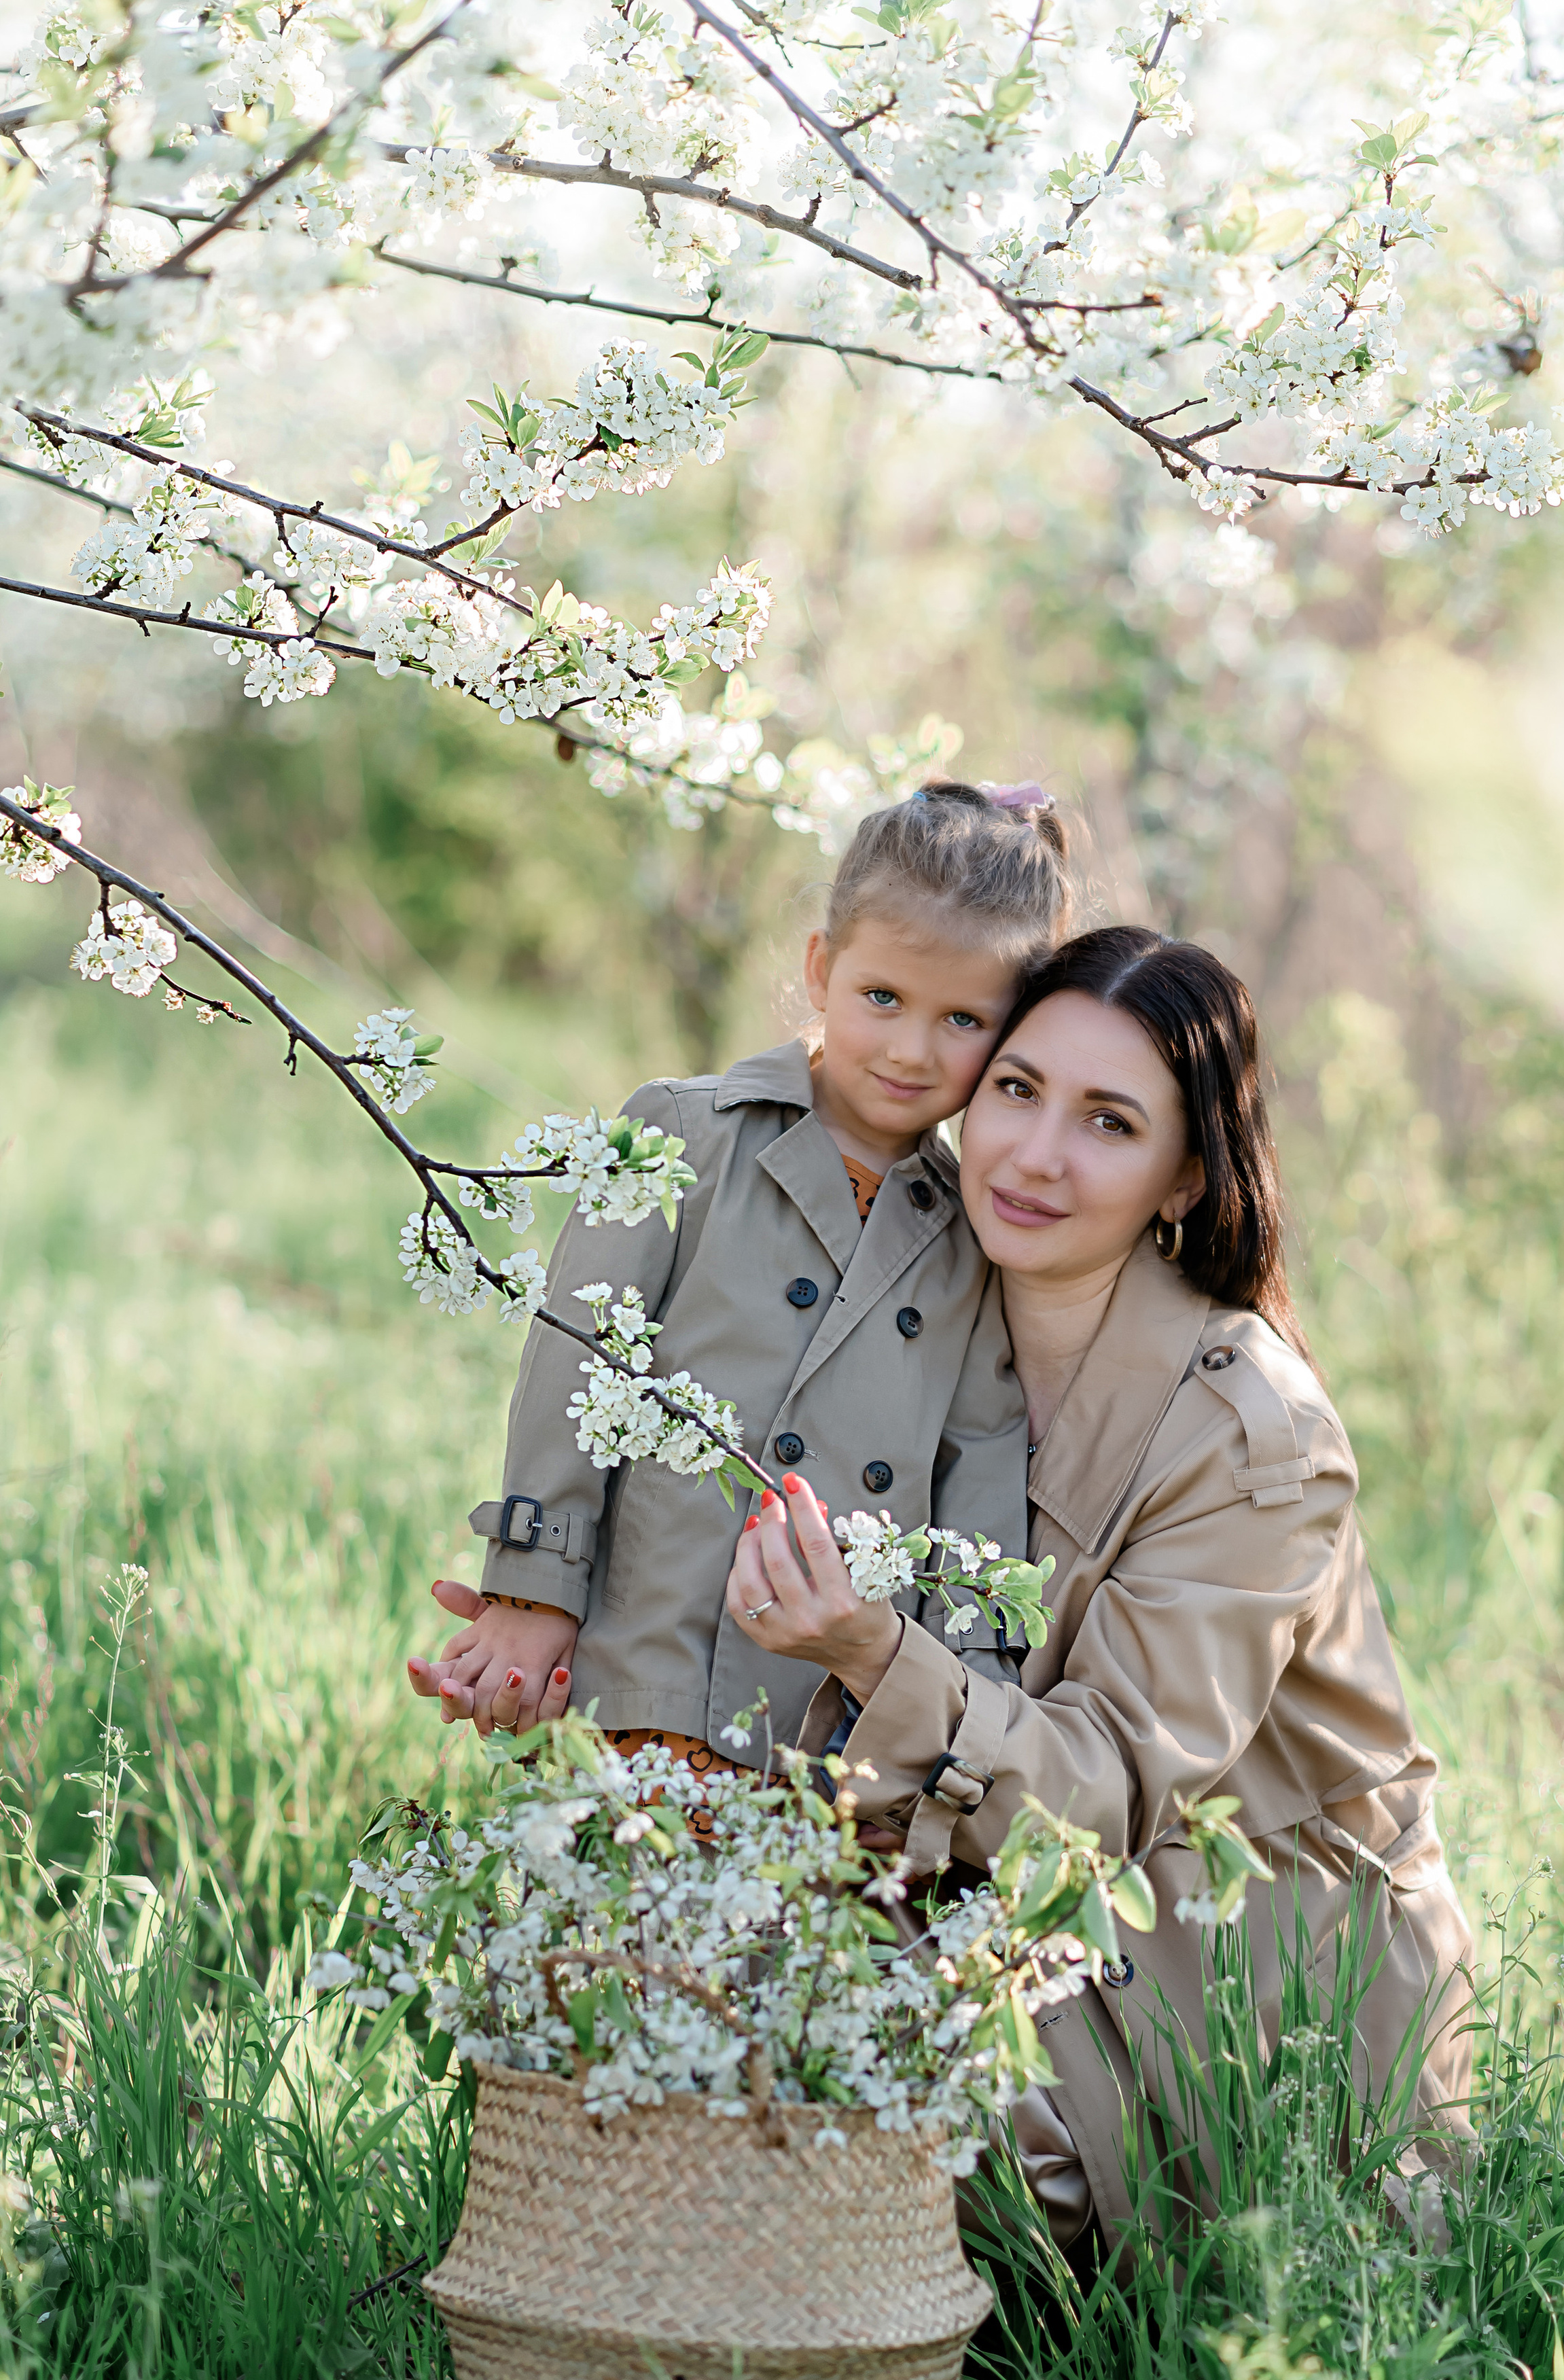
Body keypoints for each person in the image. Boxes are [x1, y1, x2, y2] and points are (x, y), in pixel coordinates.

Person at [723, 924, 1475, 2245]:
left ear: (1181, 1176)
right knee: (683, 1984)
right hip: (1006, 1876)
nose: (1033, 1155)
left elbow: (1108, 1790)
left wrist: (868, 1652)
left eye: (1107, 1123)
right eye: (1015, 1090)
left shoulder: (1252, 1440)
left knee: (882, 2081)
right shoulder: (930, 1316)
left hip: (1247, 1953)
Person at [406, 780, 1074, 1800]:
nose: (909, 1048)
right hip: (646, 1676)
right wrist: (533, 1590)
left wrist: (968, 1684)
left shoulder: (970, 1229)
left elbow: (979, 1460)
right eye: (882, 997)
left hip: (834, 1726)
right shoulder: (685, 1133)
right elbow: (575, 1363)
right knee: (611, 1947)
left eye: (964, 1019)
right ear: (821, 967)